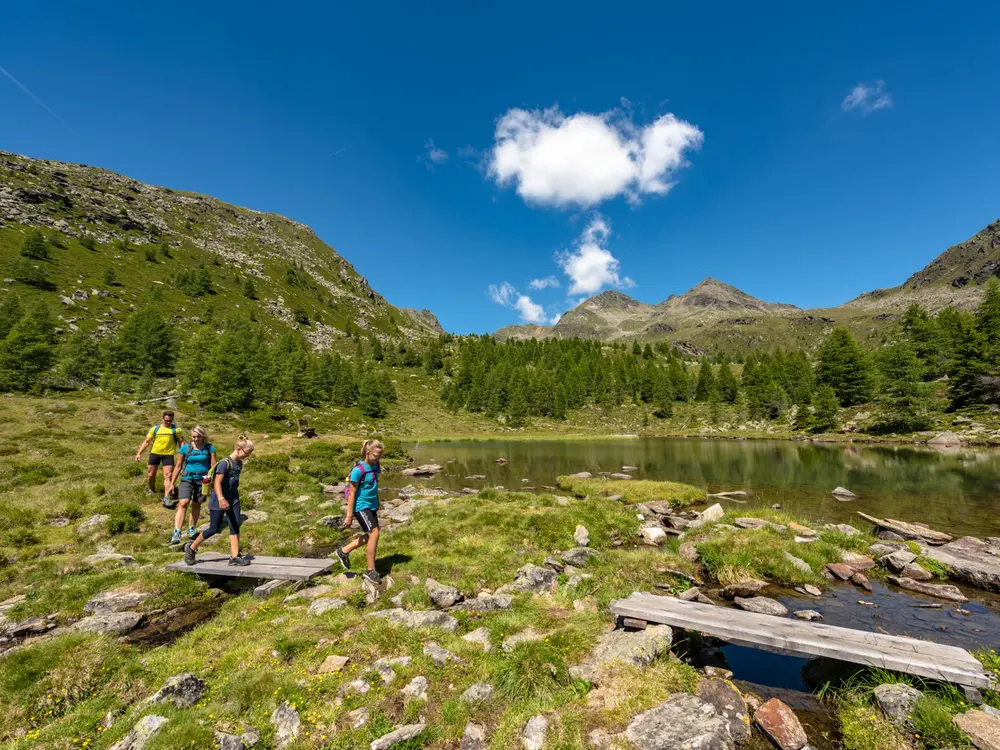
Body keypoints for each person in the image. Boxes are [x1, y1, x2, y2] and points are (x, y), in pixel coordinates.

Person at [184, 435, 254, 567]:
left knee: (235, 525)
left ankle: (234, 557)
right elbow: (217, 483)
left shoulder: (239, 463)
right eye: (247, 453)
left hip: (233, 499)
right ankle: (192, 547)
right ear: (239, 449)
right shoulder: (224, 464)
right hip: (219, 500)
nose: (247, 456)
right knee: (214, 528)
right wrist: (221, 498)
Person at [333, 439, 383, 584]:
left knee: (372, 536)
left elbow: (373, 486)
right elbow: (352, 494)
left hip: (371, 505)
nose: (378, 458)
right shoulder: (357, 470)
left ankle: (344, 551)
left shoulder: (376, 465)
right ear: (368, 453)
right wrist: (349, 516)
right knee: (374, 533)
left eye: (380, 456)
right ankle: (370, 570)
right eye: (376, 455)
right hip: (360, 506)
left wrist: (377, 502)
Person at [169, 425, 216, 545]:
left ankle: (191, 528)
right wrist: (171, 483)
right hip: (187, 478)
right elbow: (178, 466)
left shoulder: (209, 448)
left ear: (203, 436)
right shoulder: (185, 448)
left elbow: (213, 465)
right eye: (193, 437)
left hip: (203, 479)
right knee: (183, 503)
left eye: (197, 437)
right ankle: (177, 532)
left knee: (197, 503)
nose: (195, 439)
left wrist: (213, 481)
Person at [135, 411, 185, 506]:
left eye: (170, 421)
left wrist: (182, 453)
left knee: (168, 475)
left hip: (168, 455)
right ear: (163, 418)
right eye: (166, 420)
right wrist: (139, 453)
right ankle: (152, 490)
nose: (168, 422)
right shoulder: (155, 429)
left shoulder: (176, 430)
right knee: (151, 474)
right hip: (155, 454)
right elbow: (147, 441)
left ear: (172, 419)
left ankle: (167, 497)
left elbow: (181, 441)